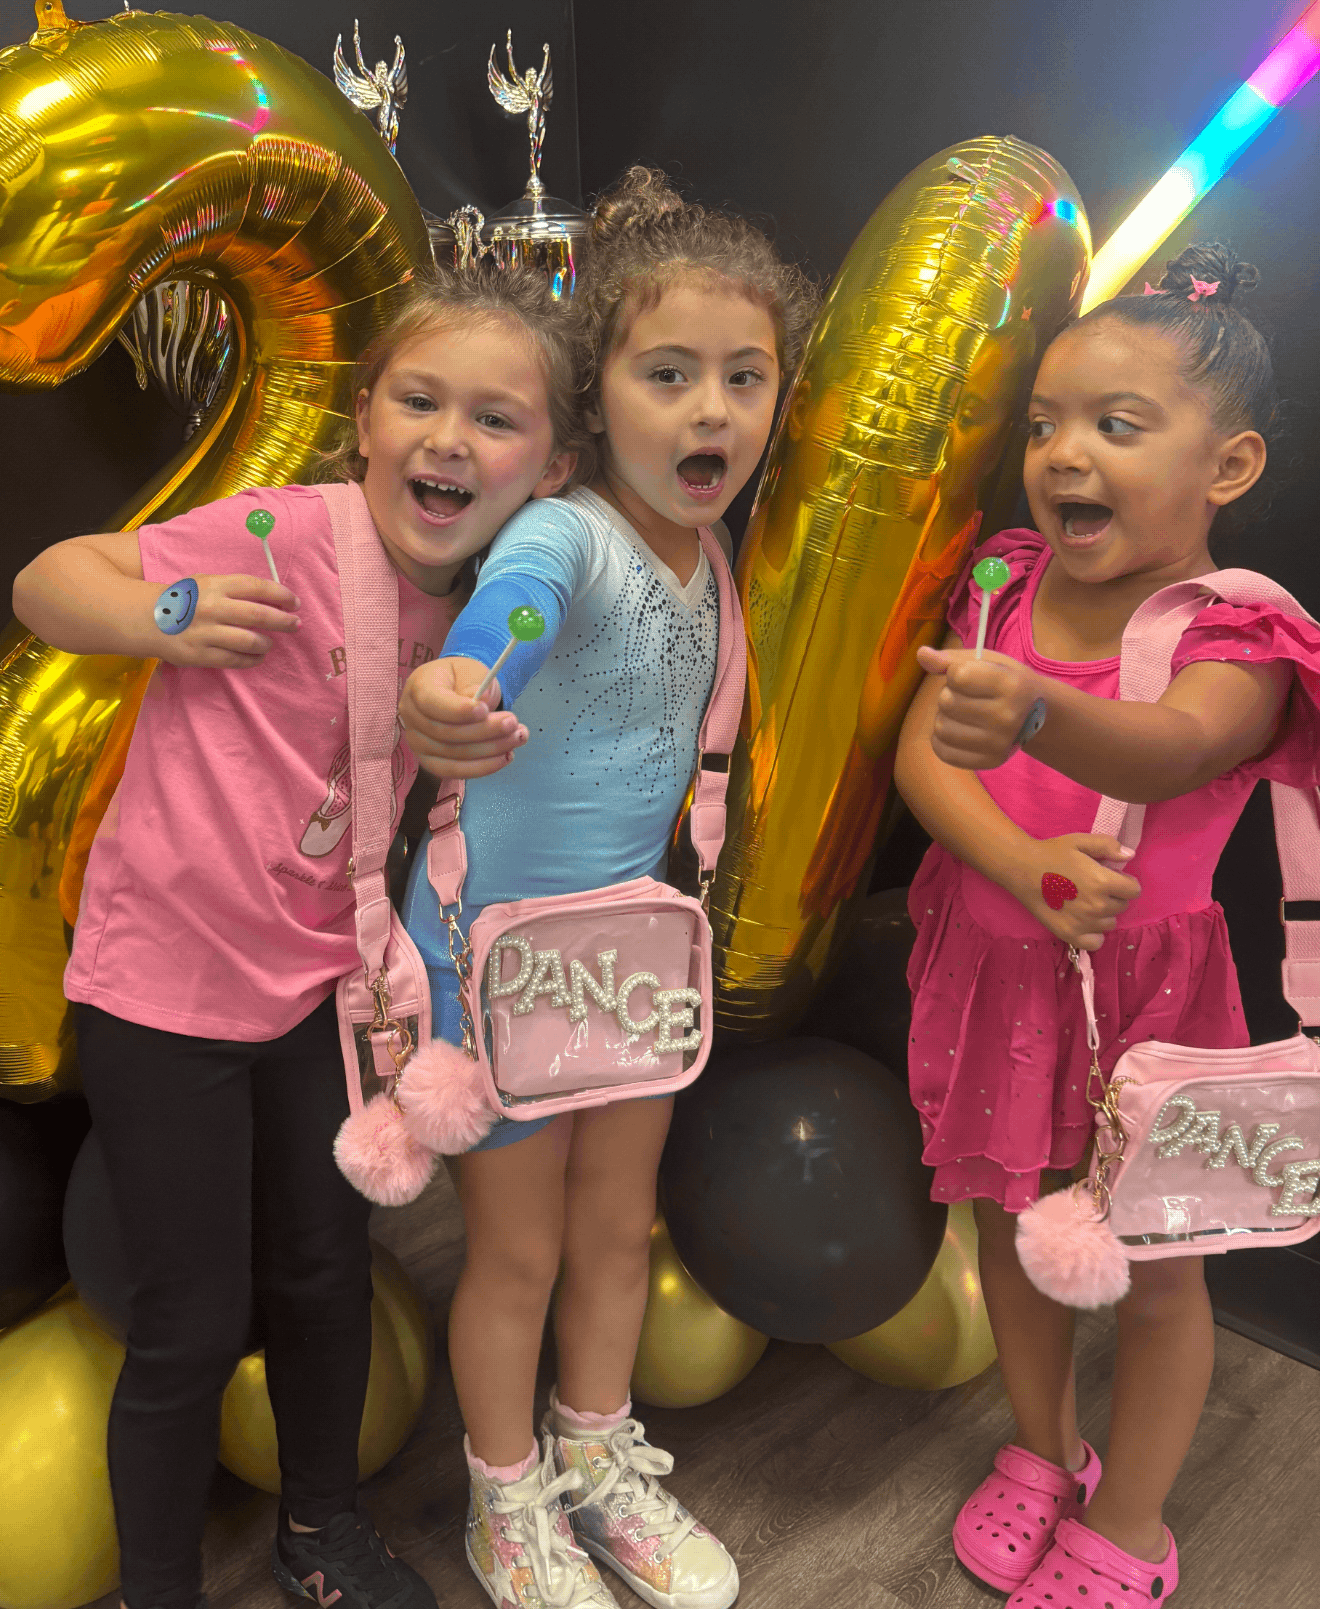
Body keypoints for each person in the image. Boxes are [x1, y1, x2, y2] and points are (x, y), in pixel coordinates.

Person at [11, 266, 584, 1609]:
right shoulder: (277, 532)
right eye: (420, 402)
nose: (449, 440)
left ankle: (323, 1530)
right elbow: (47, 580)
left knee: (328, 1270)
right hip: (166, 988)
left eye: (494, 420)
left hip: (323, 986)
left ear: (552, 465)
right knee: (191, 1323)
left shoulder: (509, 597)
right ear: (367, 420)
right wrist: (165, 613)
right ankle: (160, 1584)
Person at [398, 167, 817, 1609]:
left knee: (612, 1228)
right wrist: (469, 679)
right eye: (669, 373)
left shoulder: (714, 559)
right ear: (598, 405)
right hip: (495, 961)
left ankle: (596, 1459)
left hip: (627, 957)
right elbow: (509, 614)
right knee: (513, 1251)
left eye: (743, 377)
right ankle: (504, 1498)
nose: (712, 410)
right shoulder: (566, 533)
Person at [894, 244, 1320, 1607]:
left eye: (1116, 428)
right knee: (1008, 1232)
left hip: (1157, 1013)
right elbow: (920, 762)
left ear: (1231, 467)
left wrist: (1028, 708)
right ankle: (1040, 1451)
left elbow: (1164, 751)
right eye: (1046, 425)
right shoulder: (1000, 588)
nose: (1064, 453)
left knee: (1161, 1282)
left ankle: (1128, 1520)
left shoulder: (1242, 639)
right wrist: (1021, 863)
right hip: (989, 969)